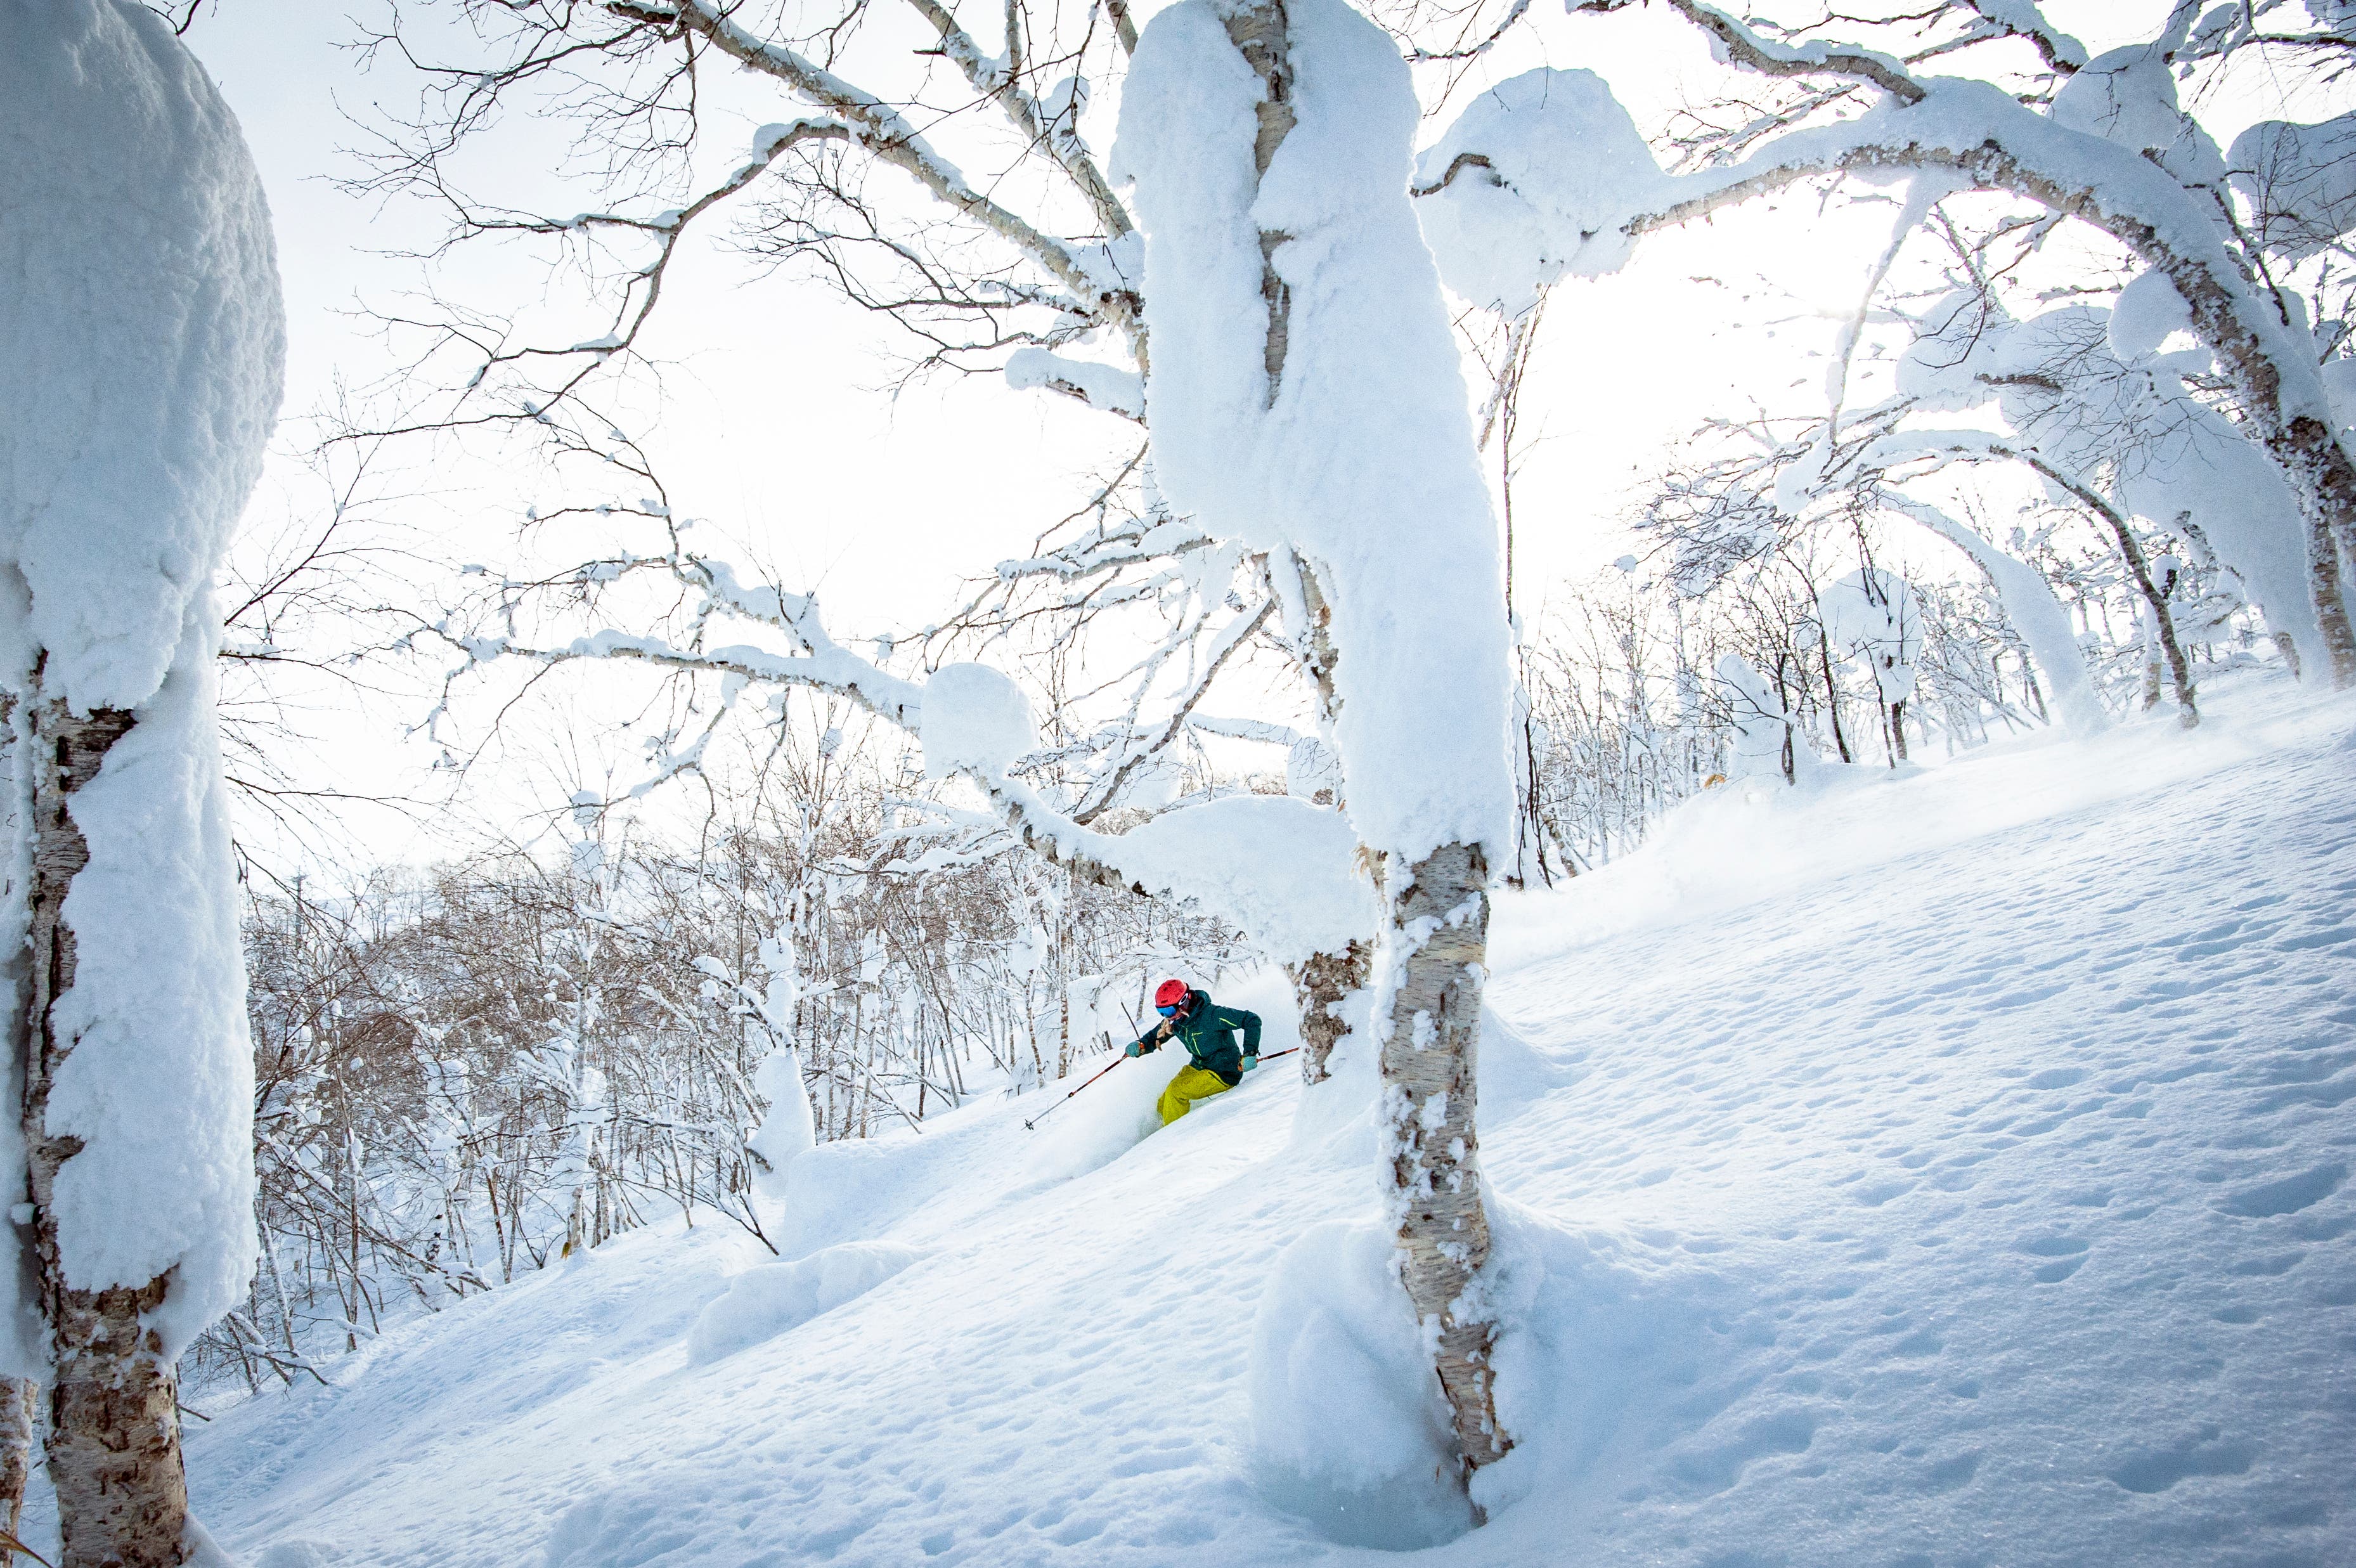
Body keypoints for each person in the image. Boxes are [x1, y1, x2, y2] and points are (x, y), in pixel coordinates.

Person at [1126, 978, 1262, 1125]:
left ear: (1185, 1001)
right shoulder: (1177, 1021)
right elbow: (1155, 1037)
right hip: (1199, 1066)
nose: (1166, 1016)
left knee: (1176, 1092)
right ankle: (1156, 1129)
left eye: (1169, 1011)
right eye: (1161, 1012)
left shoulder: (1212, 1015)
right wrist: (1140, 1046)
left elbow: (1251, 1020)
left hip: (1224, 1072)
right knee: (1164, 1101)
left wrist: (1250, 1053)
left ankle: (1169, 1138)